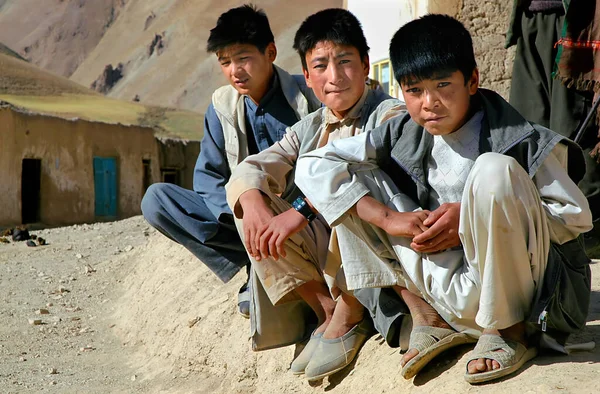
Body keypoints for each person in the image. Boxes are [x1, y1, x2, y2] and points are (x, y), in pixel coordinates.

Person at [296, 14, 593, 384]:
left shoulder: (519, 137)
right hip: (448, 289)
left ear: (472, 81)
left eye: (442, 85)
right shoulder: (402, 132)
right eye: (414, 90)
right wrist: (388, 218)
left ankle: (508, 332)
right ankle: (431, 318)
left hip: (524, 295)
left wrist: (472, 220)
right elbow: (311, 165)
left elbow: (576, 217)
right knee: (354, 175)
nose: (429, 103)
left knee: (493, 171)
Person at [225, 8, 407, 381]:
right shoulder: (310, 126)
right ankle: (329, 310)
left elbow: (354, 173)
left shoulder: (390, 113)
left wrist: (299, 210)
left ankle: (353, 311)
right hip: (332, 258)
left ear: (366, 64)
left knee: (353, 186)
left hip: (387, 254)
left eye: (345, 62)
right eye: (321, 66)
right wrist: (256, 205)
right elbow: (254, 167)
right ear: (307, 76)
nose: (335, 77)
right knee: (251, 207)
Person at [140, 4, 320, 318]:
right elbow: (208, 176)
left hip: (301, 213)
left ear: (270, 52)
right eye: (225, 61)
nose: (235, 70)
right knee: (157, 200)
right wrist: (240, 214)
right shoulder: (221, 106)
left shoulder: (306, 96)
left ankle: (275, 262)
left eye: (243, 58)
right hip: (242, 216)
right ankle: (254, 258)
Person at [507, 0, 600, 256]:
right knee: (526, 127)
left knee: (571, 130)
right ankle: (539, 228)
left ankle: (586, 231)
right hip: (532, 16)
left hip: (578, 19)